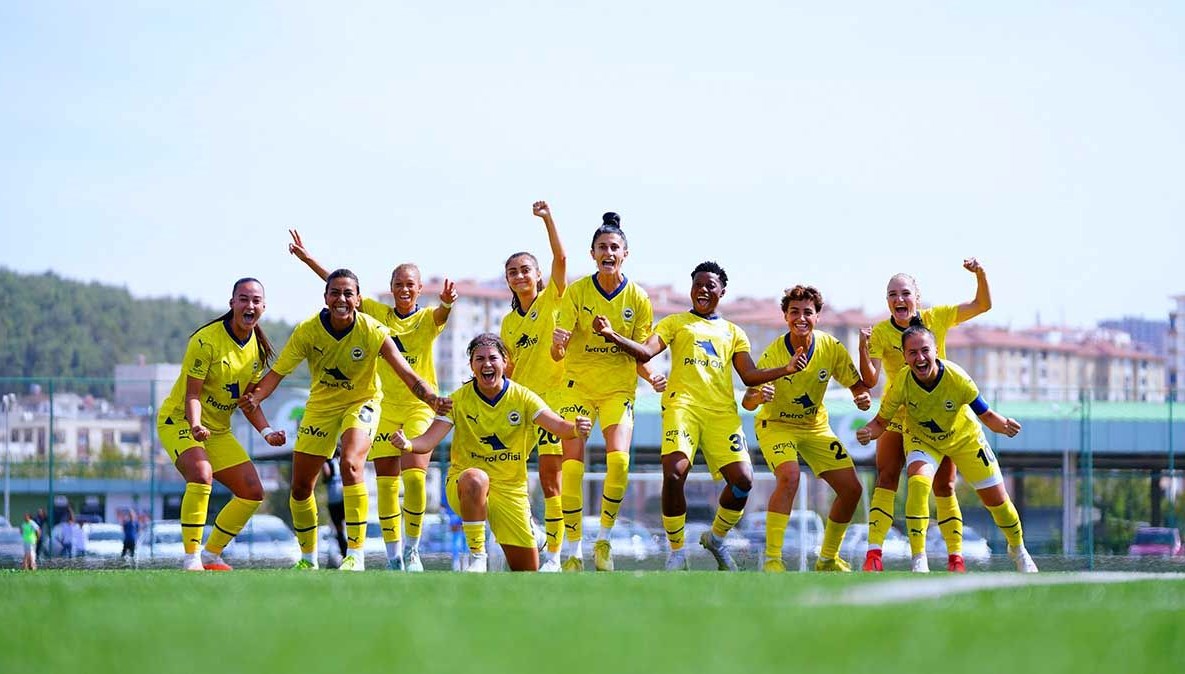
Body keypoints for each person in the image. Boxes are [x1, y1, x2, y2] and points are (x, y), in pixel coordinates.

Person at [594, 262, 809, 571]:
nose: (703, 290)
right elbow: (645, 352)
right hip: (682, 408)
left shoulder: (734, 332)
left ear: (723, 291)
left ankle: (716, 539)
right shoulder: (675, 322)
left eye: (710, 285)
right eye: (698, 284)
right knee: (674, 473)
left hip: (722, 414)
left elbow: (749, 376)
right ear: (691, 288)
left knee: (743, 482)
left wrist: (785, 369)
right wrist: (612, 335)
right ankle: (677, 551)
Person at [244, 268, 452, 571]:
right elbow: (278, 373)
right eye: (335, 293)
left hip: (362, 403)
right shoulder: (307, 331)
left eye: (348, 293)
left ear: (358, 299)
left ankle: (356, 554)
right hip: (321, 408)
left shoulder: (372, 329)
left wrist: (431, 399)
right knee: (300, 487)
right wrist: (256, 397)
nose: (341, 299)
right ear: (325, 297)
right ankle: (308, 559)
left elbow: (407, 374)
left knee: (352, 464)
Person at [289, 231, 456, 572]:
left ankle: (412, 550)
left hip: (418, 406)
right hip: (382, 407)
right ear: (391, 288)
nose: (404, 289)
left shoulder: (427, 319)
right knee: (386, 484)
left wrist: (448, 304)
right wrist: (309, 261)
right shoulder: (376, 313)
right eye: (399, 284)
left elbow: (441, 314)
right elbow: (341, 291)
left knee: (414, 478)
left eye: (410, 284)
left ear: (419, 289)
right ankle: (393, 556)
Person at [391, 334, 591, 572]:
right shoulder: (457, 400)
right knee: (476, 478)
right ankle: (478, 557)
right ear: (471, 366)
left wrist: (576, 429)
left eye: (493, 358)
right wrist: (408, 444)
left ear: (505, 362)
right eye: (480, 359)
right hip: (465, 486)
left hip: (509, 491)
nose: (487, 364)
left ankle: (531, 533)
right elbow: (428, 440)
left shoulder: (523, 397)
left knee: (526, 572)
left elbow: (558, 426)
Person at [856, 326, 1038, 573]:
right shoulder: (902, 382)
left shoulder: (956, 377)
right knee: (918, 483)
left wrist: (1004, 425)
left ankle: (1018, 549)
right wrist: (868, 432)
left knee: (997, 501)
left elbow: (986, 414)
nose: (920, 358)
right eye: (912, 353)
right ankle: (919, 558)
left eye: (925, 350)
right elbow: (880, 422)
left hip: (964, 439)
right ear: (905, 357)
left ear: (936, 351)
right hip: (923, 440)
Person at [858, 259, 992, 573]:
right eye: (892, 294)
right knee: (886, 478)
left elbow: (982, 305)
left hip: (939, 415)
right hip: (896, 414)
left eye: (905, 293)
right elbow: (871, 379)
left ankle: (955, 558)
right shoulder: (880, 332)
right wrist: (863, 348)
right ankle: (874, 555)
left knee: (945, 485)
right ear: (887, 301)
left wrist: (980, 274)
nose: (899, 299)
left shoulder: (937, 318)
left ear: (917, 297)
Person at [551, 212, 665, 572]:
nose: (608, 252)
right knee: (572, 467)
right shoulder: (577, 292)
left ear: (625, 254)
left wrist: (652, 376)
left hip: (618, 390)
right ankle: (572, 551)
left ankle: (603, 540)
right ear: (593, 254)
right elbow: (557, 352)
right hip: (578, 390)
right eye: (602, 247)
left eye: (614, 247)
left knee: (620, 462)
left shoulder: (639, 298)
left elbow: (640, 354)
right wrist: (558, 344)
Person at [157, 277, 286, 571]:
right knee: (201, 474)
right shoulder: (206, 341)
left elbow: (248, 402)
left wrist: (267, 432)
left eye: (256, 300)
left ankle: (210, 555)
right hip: (180, 420)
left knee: (252, 492)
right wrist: (195, 425)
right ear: (232, 303)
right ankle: (191, 559)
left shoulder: (258, 350)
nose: (249, 305)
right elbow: (192, 395)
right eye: (244, 299)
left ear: (264, 307)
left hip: (217, 430)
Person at [741, 285, 873, 572]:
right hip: (777, 426)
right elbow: (748, 402)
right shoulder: (774, 353)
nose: (801, 318)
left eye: (807, 312)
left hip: (815, 427)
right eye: (794, 312)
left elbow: (858, 386)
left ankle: (827, 559)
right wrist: (759, 396)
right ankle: (773, 560)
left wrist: (861, 397)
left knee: (852, 490)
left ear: (817, 316)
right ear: (785, 316)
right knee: (789, 477)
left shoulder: (831, 347)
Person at [500, 200, 568, 571]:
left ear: (538, 274)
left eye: (525, 269)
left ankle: (554, 555)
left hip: (553, 403)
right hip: (520, 405)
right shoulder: (508, 323)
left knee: (550, 480)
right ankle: (533, 533)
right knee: (504, 475)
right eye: (513, 272)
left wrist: (548, 219)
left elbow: (561, 257)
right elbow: (508, 370)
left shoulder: (553, 298)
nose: (520, 276)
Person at [322, 450, 347, 560]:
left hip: (335, 499)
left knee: (339, 528)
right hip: (343, 497)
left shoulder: (329, 463)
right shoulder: (342, 461)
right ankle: (347, 552)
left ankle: (346, 553)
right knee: (343, 527)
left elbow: (326, 475)